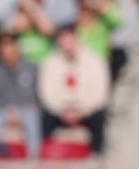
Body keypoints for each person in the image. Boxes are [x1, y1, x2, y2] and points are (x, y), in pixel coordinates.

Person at [37, 26, 110, 155]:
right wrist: (63, 110)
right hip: (60, 110)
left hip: (87, 109)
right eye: (63, 43)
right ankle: (46, 157)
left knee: (99, 118)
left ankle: (97, 159)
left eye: (70, 42)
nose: (67, 47)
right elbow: (46, 93)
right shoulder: (50, 62)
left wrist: (80, 110)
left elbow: (100, 93)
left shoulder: (94, 60)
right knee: (44, 118)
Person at [0, 34, 42, 158]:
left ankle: (33, 157)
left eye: (12, 52)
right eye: (5, 53)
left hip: (27, 108)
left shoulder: (33, 67)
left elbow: (39, 93)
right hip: (2, 108)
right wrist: (8, 110)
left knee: (33, 120)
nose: (9, 56)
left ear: (18, 50)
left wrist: (35, 103)